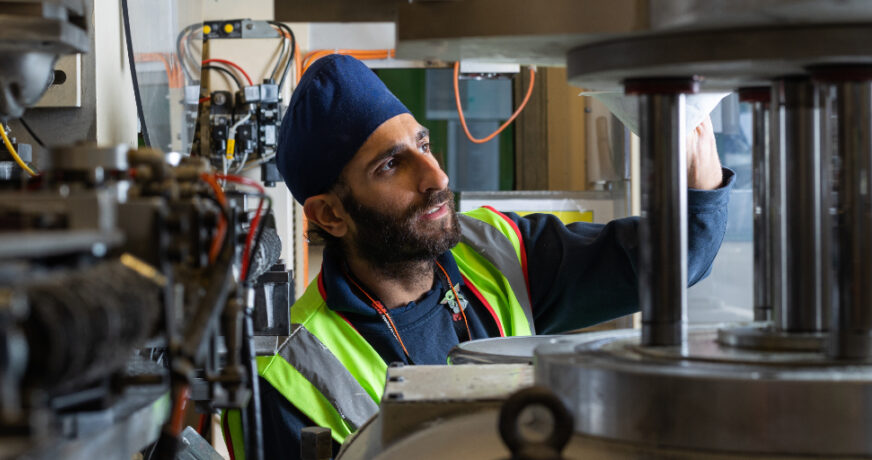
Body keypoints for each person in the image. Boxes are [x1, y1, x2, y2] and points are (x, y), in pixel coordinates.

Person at [225, 55, 733, 459]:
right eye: (390, 164)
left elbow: (676, 256)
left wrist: (688, 127)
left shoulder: (497, 252)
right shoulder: (286, 373)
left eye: (423, 143)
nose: (436, 177)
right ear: (330, 214)